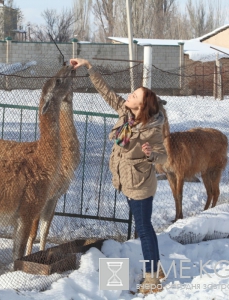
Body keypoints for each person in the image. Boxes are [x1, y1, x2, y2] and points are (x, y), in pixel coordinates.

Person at [70, 58, 167, 294]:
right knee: (146, 227)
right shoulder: (126, 112)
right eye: (132, 93)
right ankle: (156, 267)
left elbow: (163, 157)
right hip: (127, 181)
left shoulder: (151, 128)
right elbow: (107, 92)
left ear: (142, 106)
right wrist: (89, 67)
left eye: (135, 96)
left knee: (144, 229)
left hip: (141, 185)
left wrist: (151, 153)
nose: (130, 96)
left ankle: (152, 278)